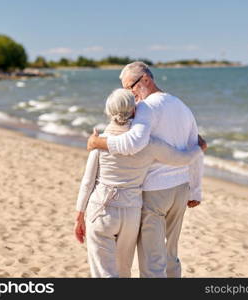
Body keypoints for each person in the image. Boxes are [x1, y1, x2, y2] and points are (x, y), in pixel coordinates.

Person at [87, 62, 206, 277]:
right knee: (171, 253)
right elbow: (195, 149)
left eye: (129, 87)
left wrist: (98, 143)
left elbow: (134, 143)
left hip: (155, 192)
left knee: (153, 261)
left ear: (145, 80)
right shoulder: (181, 106)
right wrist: (195, 190)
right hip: (181, 189)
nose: (129, 95)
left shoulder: (146, 107)